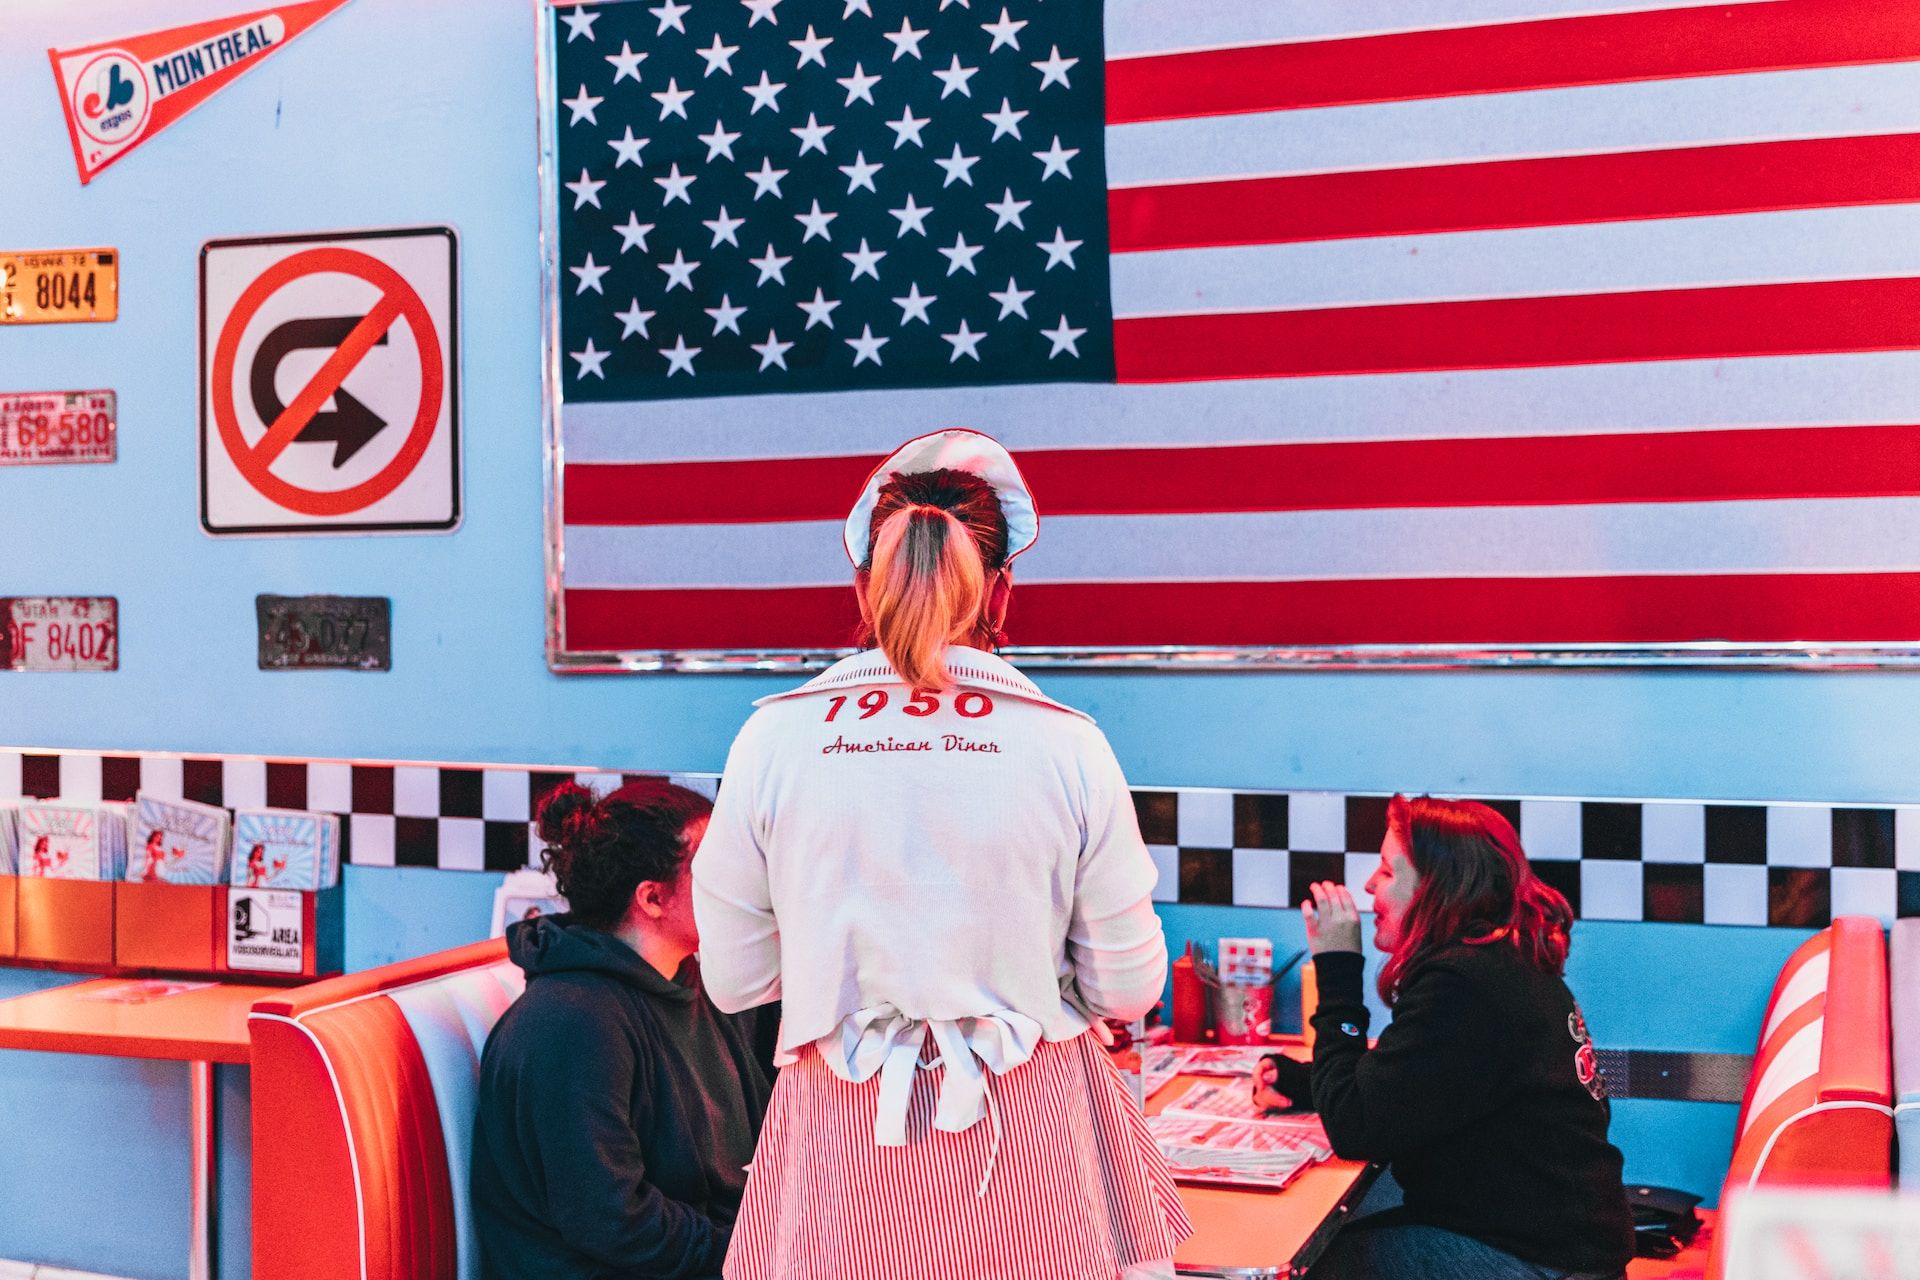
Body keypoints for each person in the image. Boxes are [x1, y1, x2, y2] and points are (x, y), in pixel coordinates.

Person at [693, 429, 1191, 1280]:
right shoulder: (1065, 744)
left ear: (864, 581)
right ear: (1001, 592)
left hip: (839, 1147)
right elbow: (1129, 987)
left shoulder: (773, 737)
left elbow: (736, 981)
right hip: (1031, 1148)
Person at [1253, 795, 1634, 1280]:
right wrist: (1309, 1083)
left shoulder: (1463, 983)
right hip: (1566, 1245)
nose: (1370, 884)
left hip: (1539, 1262)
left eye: (1389, 872)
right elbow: (1423, 1082)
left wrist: (1337, 967)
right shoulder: (1495, 962)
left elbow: (1353, 1129)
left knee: (1309, 1263)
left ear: (1438, 888)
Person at [472, 779, 777, 1280]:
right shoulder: (570, 1025)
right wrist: (758, 1255)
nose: (741, 885)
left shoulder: (708, 985)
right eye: (716, 870)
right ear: (653, 898)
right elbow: (614, 1222)